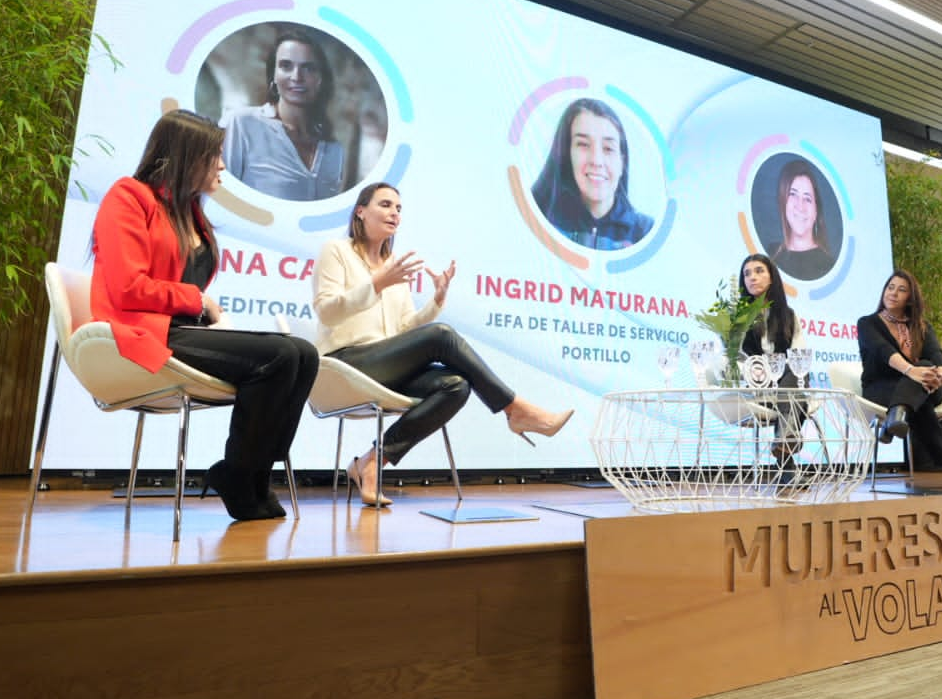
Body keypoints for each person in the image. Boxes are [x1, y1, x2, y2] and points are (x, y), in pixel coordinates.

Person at [91, 109, 320, 520]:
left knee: (304, 354)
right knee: (280, 356)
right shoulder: (128, 197)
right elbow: (127, 288)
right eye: (213, 155)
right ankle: (238, 474)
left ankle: (251, 474)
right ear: (185, 156)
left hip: (182, 331)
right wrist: (197, 301)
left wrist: (197, 307)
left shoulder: (191, 212)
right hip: (144, 333)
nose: (223, 165)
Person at [314, 182, 574, 506]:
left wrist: (436, 301)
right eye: (384, 204)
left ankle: (371, 463)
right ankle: (516, 409)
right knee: (441, 336)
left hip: (383, 364)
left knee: (456, 385)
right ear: (360, 211)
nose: (394, 212)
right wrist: (377, 283)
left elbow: (404, 328)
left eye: (398, 207)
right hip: (345, 363)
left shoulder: (394, 265)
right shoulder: (336, 251)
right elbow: (326, 310)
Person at [856, 270, 942, 490]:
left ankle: (897, 415)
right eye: (890, 287)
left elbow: (936, 355)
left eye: (901, 290)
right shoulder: (867, 323)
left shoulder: (922, 326)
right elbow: (882, 350)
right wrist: (910, 370)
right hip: (881, 388)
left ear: (910, 298)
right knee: (920, 404)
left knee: (926, 366)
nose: (893, 293)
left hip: (927, 385)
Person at [220, 27, 347, 200]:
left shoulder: (334, 149)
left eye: (308, 68)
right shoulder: (241, 123)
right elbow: (221, 195)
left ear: (321, 79)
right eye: (286, 66)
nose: (296, 76)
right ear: (273, 75)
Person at [531, 98, 654, 250]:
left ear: (622, 162)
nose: (596, 160)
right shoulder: (537, 218)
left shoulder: (646, 233)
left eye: (608, 148)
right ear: (566, 154)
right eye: (583, 144)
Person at [738, 254, 810, 455]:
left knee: (795, 371)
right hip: (756, 388)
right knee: (797, 398)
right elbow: (734, 359)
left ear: (772, 278)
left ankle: (784, 442)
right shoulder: (737, 318)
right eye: (747, 274)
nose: (752, 277)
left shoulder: (788, 315)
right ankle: (787, 439)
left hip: (785, 386)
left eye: (759, 271)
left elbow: (799, 356)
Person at [769, 160, 836, 280]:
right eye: (793, 194)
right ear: (783, 201)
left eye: (807, 198)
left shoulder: (829, 266)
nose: (800, 206)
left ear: (816, 211)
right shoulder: (770, 258)